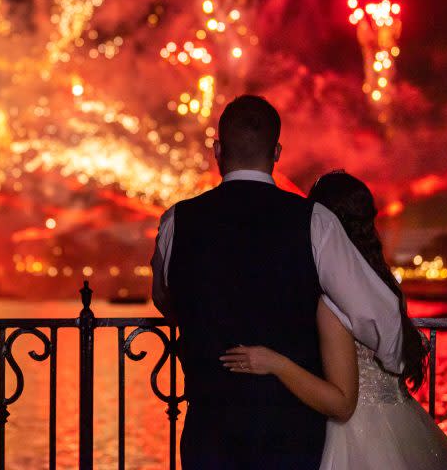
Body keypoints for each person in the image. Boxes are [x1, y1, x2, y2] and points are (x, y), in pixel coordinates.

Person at [151, 95, 404, 469]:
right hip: (291, 434)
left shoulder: (177, 221)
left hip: (209, 432)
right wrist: (393, 361)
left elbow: (165, 299)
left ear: (217, 150)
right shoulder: (314, 222)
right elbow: (377, 313)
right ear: (277, 152)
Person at [221, 171, 447, 470]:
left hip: (355, 436)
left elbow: (341, 405)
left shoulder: (333, 301)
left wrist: (274, 362)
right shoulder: (384, 285)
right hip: (404, 424)